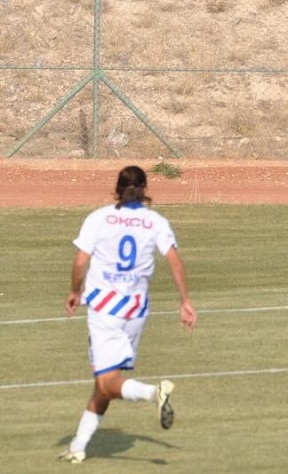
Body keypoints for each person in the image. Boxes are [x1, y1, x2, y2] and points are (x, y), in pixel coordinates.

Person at [57, 166, 197, 464]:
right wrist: (185, 301)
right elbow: (175, 261)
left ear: (117, 188)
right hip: (136, 310)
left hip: (105, 309)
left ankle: (153, 393)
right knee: (105, 382)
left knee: (108, 382)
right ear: (144, 188)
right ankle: (78, 446)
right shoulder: (154, 221)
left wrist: (74, 291)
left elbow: (80, 261)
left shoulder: (99, 218)